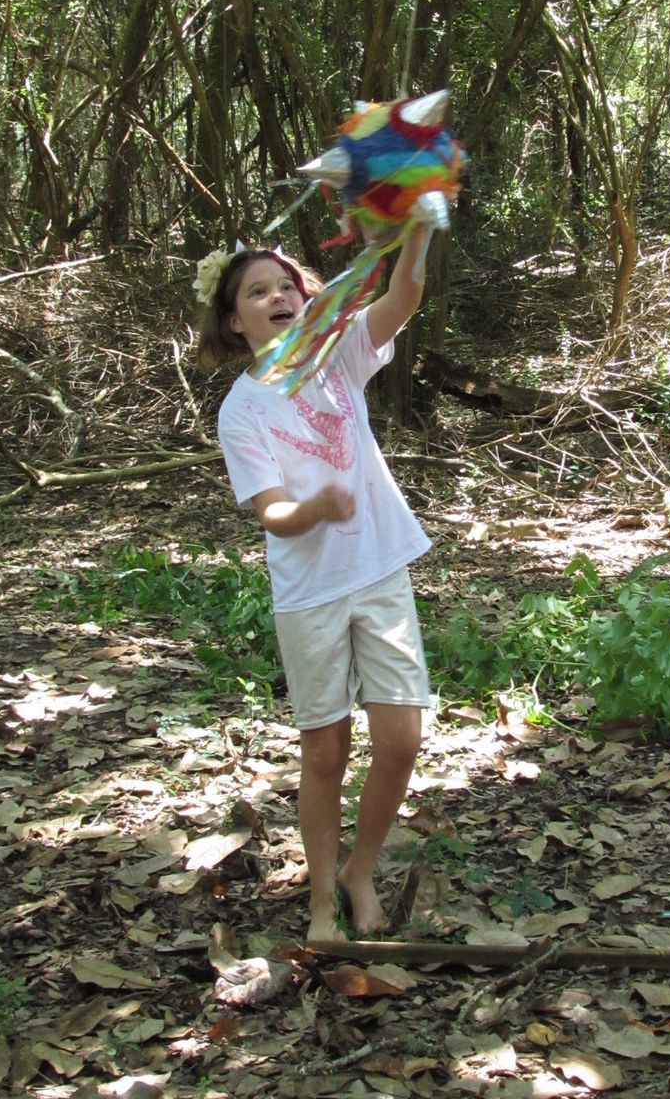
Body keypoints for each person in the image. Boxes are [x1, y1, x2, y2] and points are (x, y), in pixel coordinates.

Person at [196, 231, 433, 943]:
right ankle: (323, 899)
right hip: (310, 592)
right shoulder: (241, 410)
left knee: (400, 739)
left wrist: (415, 225)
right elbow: (268, 509)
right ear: (235, 321)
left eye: (286, 286)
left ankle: (362, 870)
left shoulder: (336, 360)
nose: (277, 297)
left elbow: (403, 296)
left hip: (379, 570)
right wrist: (314, 509)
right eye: (257, 292)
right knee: (325, 751)